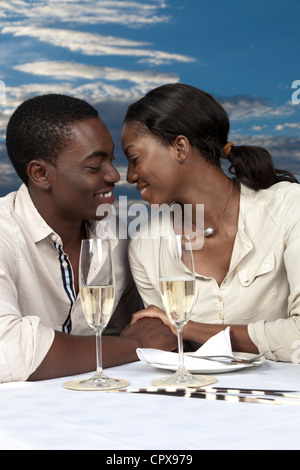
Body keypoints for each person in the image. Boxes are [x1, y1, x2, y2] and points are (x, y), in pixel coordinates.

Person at [0, 93, 177, 383]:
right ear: (40, 173)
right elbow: (9, 350)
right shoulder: (4, 234)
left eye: (111, 160)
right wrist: (136, 347)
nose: (113, 176)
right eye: (95, 166)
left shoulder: (119, 236)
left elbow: (137, 328)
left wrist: (132, 340)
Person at [121, 83, 300, 363]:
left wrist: (189, 328)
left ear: (180, 148)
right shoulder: (146, 246)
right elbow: (171, 350)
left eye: (134, 159)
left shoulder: (289, 206)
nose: (130, 176)